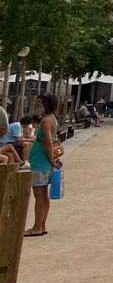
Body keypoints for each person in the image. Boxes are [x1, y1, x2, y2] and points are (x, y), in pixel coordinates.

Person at [26, 94, 61, 237]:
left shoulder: (46, 121)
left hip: (41, 161)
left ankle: (37, 226)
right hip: (42, 160)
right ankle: (41, 225)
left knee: (39, 195)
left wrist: (50, 158)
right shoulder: (51, 119)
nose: (36, 106)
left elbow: (48, 141)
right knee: (42, 195)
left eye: (38, 103)